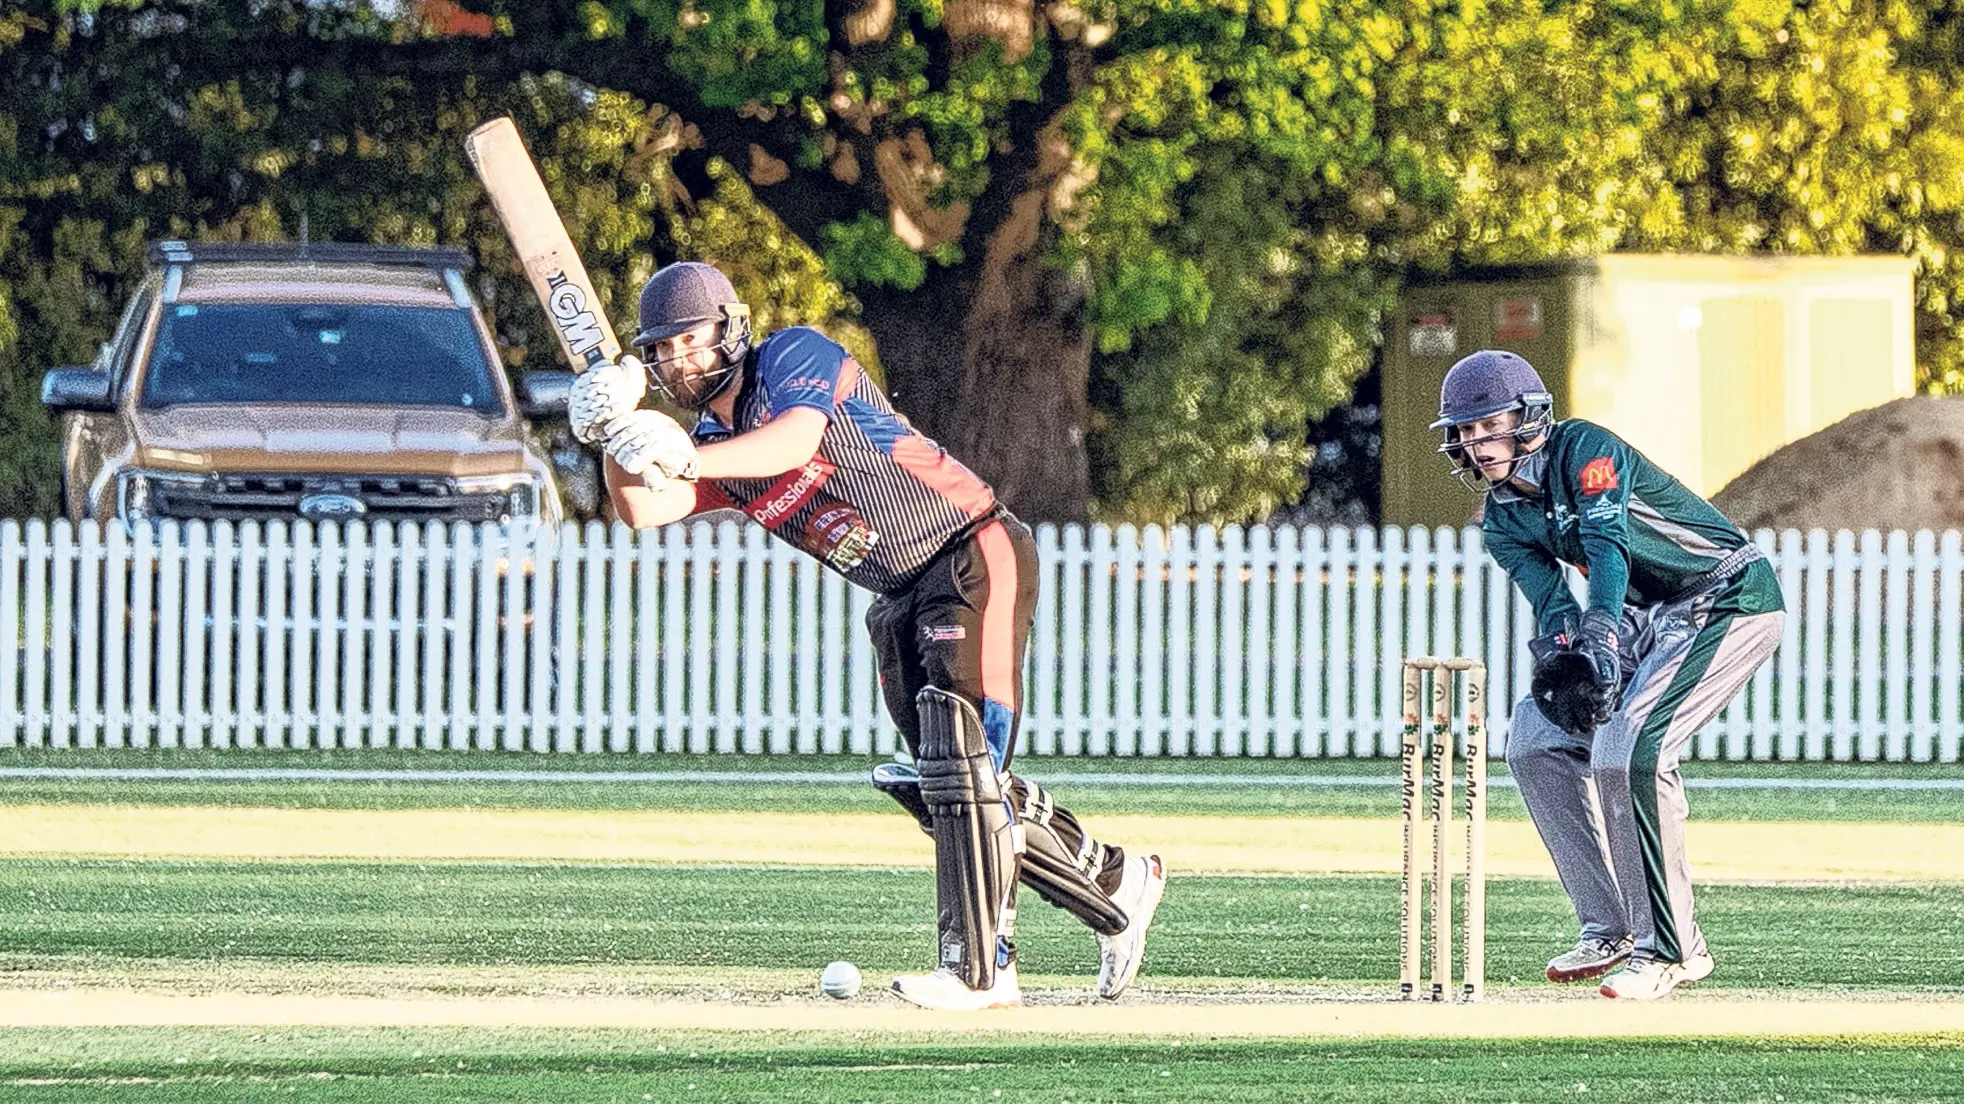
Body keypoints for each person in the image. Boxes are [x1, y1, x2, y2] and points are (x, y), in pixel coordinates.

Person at [568, 260, 1166, 1011]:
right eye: (661, 350)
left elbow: (793, 441)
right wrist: (609, 433)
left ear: (729, 328)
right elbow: (642, 511)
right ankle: (1117, 883)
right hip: (899, 593)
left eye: (689, 340)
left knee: (960, 766)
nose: (676, 360)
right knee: (954, 788)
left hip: (971, 549)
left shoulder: (791, 357)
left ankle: (984, 972)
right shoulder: (715, 437)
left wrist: (682, 453)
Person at [1434, 349, 1784, 1001]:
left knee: (1634, 753)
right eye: (1465, 431)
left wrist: (1601, 634)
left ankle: (1673, 949)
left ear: (1529, 415)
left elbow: (1605, 549)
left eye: (1489, 425)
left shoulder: (1587, 450)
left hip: (1725, 596)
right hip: (1642, 613)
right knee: (1534, 743)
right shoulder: (1503, 519)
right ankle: (1613, 928)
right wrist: (1570, 648)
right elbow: (1552, 599)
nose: (1476, 444)